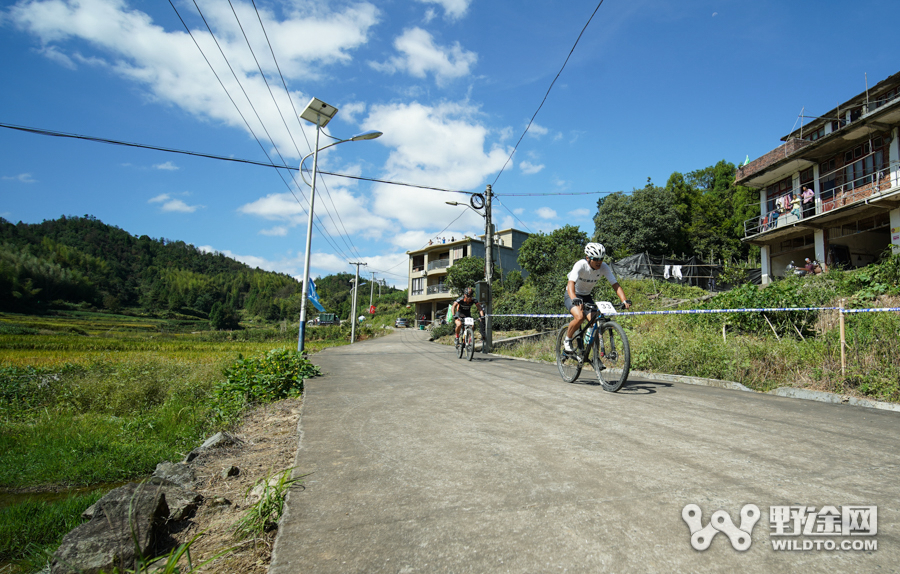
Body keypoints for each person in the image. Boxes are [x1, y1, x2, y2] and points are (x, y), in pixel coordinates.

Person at [563, 243, 631, 353]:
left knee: (596, 323)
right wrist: (574, 298)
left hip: (586, 296)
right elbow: (571, 283)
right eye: (595, 259)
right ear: (588, 258)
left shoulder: (604, 267)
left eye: (601, 258)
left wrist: (624, 300)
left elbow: (615, 284)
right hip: (572, 294)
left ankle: (595, 357)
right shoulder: (580, 265)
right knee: (580, 317)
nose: (599, 261)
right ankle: (568, 339)